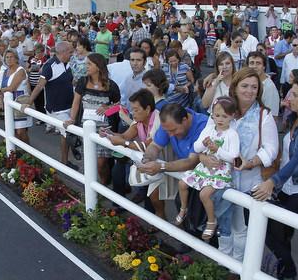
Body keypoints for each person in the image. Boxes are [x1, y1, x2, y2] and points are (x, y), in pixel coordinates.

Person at [252, 77, 298, 280]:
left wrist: (272, 182)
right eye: (289, 92)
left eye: (294, 94)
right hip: (285, 186)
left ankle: (288, 270)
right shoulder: (294, 119)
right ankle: (284, 271)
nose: (289, 97)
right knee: (281, 234)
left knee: (277, 231)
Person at [218, 67, 279, 261]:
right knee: (224, 224)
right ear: (235, 87)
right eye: (244, 85)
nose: (249, 91)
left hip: (249, 182)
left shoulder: (264, 115)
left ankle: (237, 268)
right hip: (222, 179)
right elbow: (210, 136)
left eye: (254, 87)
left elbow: (271, 149)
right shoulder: (223, 110)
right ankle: (222, 263)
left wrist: (251, 162)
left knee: (242, 228)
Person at [176, 96, 240, 241]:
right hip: (204, 167)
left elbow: (234, 157)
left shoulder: (232, 134)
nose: (220, 119)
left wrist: (217, 149)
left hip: (220, 170)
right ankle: (183, 208)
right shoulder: (209, 128)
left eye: (224, 116)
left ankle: (211, 221)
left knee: (204, 194)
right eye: (217, 115)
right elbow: (196, 147)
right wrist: (204, 144)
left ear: (232, 116)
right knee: (182, 183)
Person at [105, 89, 166, 217]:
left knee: (155, 197)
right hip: (152, 162)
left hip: (165, 161)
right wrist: (108, 134)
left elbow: (147, 146)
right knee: (151, 195)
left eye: (136, 110)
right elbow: (124, 136)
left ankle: (162, 223)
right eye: (132, 109)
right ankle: (156, 221)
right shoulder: (138, 120)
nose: (132, 113)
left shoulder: (158, 120)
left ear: (148, 109)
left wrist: (123, 143)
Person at [63, 53, 120, 185]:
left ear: (98, 66)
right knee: (89, 161)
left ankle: (104, 184)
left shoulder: (111, 85)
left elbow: (118, 107)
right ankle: (94, 187)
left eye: (89, 64)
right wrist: (72, 119)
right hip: (86, 129)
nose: (86, 66)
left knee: (101, 163)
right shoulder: (82, 82)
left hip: (105, 130)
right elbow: (76, 103)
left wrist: (108, 108)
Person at [25, 41, 77, 168]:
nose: (72, 54)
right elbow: (39, 86)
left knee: (70, 133)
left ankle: (69, 156)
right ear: (63, 52)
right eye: (70, 52)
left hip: (69, 106)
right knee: (67, 133)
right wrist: (28, 103)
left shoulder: (68, 63)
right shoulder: (49, 66)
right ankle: (64, 162)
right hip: (57, 109)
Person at [0, 50, 32, 144]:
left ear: (16, 58)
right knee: (13, 131)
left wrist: (0, 91)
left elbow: (12, 88)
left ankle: (29, 153)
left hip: (20, 102)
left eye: (11, 57)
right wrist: (0, 98)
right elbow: (2, 87)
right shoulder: (5, 71)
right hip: (9, 104)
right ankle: (17, 154)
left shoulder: (20, 70)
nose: (9, 59)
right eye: (7, 57)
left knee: (21, 131)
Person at [246, 51, 280, 117]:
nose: (254, 66)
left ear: (264, 66)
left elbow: (272, 116)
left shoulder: (269, 87)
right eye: (251, 63)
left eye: (258, 63)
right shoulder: (247, 82)